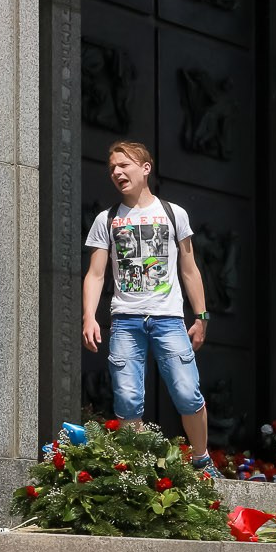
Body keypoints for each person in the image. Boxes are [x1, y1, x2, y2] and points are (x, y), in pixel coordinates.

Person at [81, 140, 215, 472]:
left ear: (145, 168)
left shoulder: (173, 214)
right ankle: (135, 470)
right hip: (125, 320)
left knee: (187, 392)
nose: (116, 172)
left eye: (123, 165)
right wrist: (89, 317)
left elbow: (189, 268)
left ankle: (201, 460)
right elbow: (95, 275)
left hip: (168, 319)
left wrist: (201, 316)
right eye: (112, 167)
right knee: (127, 399)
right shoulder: (106, 219)